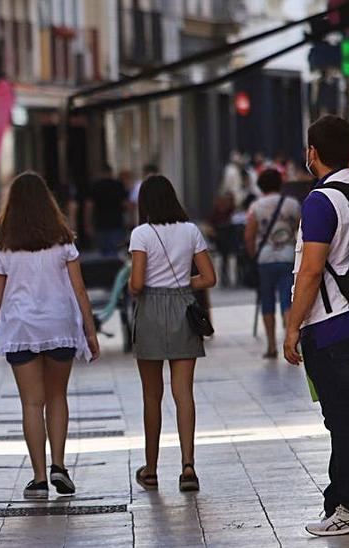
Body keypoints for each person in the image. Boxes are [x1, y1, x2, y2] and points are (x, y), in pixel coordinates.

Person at [284, 115, 349, 537]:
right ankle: (339, 501)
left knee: (342, 421)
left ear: (312, 153)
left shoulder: (321, 201)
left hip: (331, 325)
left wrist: (291, 328)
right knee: (345, 417)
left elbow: (310, 272)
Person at [0, 173, 101, 500]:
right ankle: (59, 466)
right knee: (57, 396)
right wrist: (90, 332)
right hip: (59, 324)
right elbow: (79, 290)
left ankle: (37, 477)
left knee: (32, 403)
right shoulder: (63, 242)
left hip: (21, 327)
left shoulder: (4, 246)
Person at [127, 175, 216, 494]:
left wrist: (138, 286)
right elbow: (209, 277)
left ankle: (150, 469)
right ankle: (188, 466)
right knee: (183, 393)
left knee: (152, 395)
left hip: (150, 311)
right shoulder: (191, 230)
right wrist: (180, 285)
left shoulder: (141, 234)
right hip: (182, 310)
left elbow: (136, 283)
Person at [244, 170, 301, 359]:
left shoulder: (256, 207)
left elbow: (249, 235)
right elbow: (301, 230)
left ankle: (271, 346)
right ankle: (290, 341)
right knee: (287, 300)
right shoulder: (292, 204)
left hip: (265, 259)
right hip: (288, 257)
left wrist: (254, 255)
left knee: (267, 301)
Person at [84, 164, 130, 256]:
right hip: (116, 222)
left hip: (100, 223)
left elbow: (89, 206)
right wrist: (129, 220)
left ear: (101, 173)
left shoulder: (95, 185)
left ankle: (105, 269)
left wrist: (88, 223)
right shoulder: (118, 185)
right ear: (111, 172)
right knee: (116, 252)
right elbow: (126, 204)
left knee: (103, 253)